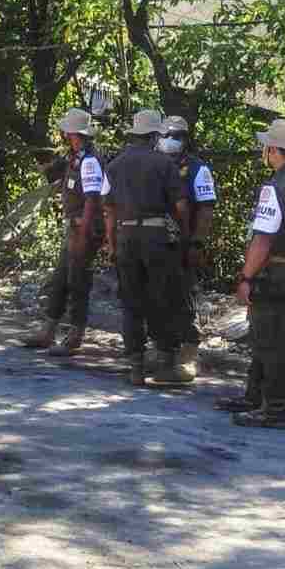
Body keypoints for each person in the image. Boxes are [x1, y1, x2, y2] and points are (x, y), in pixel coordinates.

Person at [216, 119, 285, 428]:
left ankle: (273, 409)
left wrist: (246, 278)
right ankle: (263, 399)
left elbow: (262, 238)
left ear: (275, 150)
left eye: (267, 146)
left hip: (277, 268)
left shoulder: (275, 186)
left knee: (268, 338)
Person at [102, 110, 189, 386]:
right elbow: (181, 206)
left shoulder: (114, 166)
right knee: (160, 297)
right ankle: (165, 364)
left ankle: (136, 367)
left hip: (125, 235)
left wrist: (112, 243)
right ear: (154, 136)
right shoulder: (164, 164)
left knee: (131, 301)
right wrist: (183, 234)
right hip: (156, 237)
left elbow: (109, 210)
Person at [23, 109, 106, 356]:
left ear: (72, 133)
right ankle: (48, 330)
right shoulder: (74, 157)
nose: (62, 133)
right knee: (60, 279)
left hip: (84, 228)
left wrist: (84, 233)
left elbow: (93, 199)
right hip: (73, 228)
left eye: (65, 130)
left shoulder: (90, 160)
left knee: (78, 280)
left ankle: (75, 335)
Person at [158, 115, 216, 381]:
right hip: (155, 242)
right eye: (166, 135)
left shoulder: (197, 169)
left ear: (185, 139)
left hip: (183, 243)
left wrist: (197, 242)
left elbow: (206, 210)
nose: (170, 141)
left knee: (184, 297)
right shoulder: (155, 164)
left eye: (177, 136)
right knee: (158, 296)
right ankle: (163, 351)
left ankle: (189, 352)